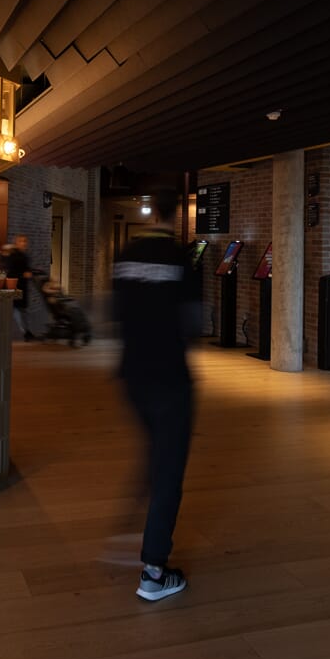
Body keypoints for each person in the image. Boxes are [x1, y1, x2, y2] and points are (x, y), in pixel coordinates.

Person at [111, 188, 203, 602]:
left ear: (150, 213)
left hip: (132, 375)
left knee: (154, 453)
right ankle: (153, 571)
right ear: (177, 215)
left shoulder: (125, 253)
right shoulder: (184, 258)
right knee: (168, 471)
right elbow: (193, 325)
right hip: (170, 378)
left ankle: (131, 524)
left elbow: (113, 313)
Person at [3, 234, 34, 340]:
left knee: (21, 310)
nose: (24, 243)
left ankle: (26, 331)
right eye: (21, 241)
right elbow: (11, 271)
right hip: (16, 285)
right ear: (16, 243)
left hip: (22, 286)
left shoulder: (23, 255)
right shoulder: (14, 256)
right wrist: (23, 274)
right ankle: (25, 332)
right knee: (18, 310)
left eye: (25, 241)